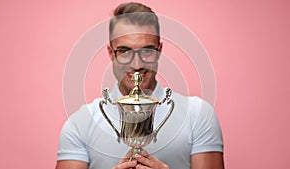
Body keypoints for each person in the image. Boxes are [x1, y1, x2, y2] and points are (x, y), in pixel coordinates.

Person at [56, 2, 224, 169]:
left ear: (160, 50)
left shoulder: (197, 115)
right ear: (110, 52)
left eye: (147, 50)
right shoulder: (80, 123)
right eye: (124, 51)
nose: (136, 64)